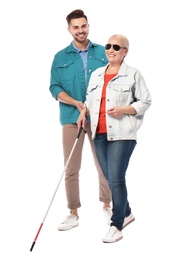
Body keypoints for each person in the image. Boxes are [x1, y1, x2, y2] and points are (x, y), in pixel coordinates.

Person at [77, 34, 152, 243]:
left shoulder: (133, 75)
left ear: (125, 51)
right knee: (110, 177)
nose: (110, 49)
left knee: (117, 177)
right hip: (98, 133)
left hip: (122, 134)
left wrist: (124, 109)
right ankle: (127, 211)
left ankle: (117, 224)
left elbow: (145, 101)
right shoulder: (97, 75)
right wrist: (83, 111)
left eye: (116, 47)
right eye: (108, 46)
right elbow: (88, 100)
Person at [49, 9, 112, 231]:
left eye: (83, 26)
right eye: (75, 27)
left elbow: (111, 83)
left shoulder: (103, 53)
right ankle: (73, 213)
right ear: (69, 29)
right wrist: (76, 104)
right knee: (71, 167)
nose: (80, 30)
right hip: (70, 117)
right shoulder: (60, 57)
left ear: (88, 26)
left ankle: (107, 206)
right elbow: (54, 88)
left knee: (104, 164)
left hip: (98, 118)